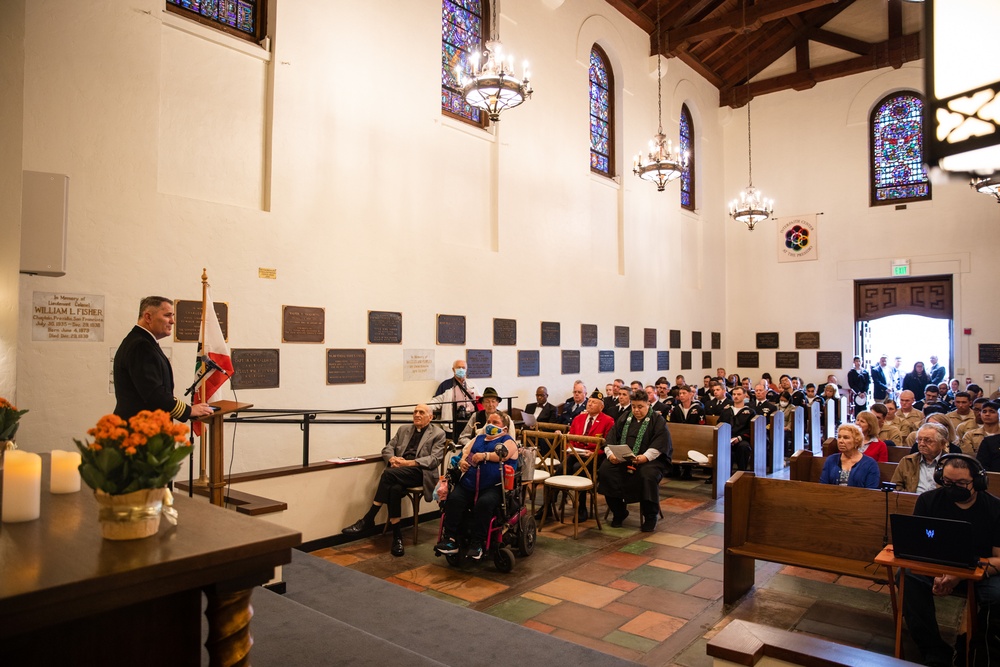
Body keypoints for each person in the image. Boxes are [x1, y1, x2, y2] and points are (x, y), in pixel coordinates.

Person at [901, 454, 1000, 667]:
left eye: (962, 483)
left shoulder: (995, 508)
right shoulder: (928, 501)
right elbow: (920, 547)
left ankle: (973, 649)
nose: (953, 487)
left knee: (996, 595)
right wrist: (939, 573)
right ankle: (933, 650)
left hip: (980, 569)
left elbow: (999, 559)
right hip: (937, 566)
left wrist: (959, 575)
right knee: (908, 577)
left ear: (979, 482)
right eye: (947, 482)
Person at [341, 404, 446, 556]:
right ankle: (397, 538)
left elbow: (434, 459)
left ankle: (369, 518)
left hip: (420, 472)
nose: (417, 414)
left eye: (421, 412)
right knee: (394, 488)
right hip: (399, 471)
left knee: (388, 475)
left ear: (430, 417)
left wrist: (407, 463)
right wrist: (392, 459)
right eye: (415, 412)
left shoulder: (438, 433)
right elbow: (387, 448)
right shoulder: (404, 429)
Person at [113, 296, 216, 422]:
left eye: (172, 316)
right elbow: (153, 393)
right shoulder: (141, 346)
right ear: (148, 317)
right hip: (141, 429)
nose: (173, 321)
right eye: (167, 315)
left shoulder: (143, 341)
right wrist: (188, 411)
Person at [435, 414, 518, 560]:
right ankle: (450, 540)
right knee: (454, 500)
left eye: (495, 422)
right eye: (488, 422)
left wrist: (484, 456)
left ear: (504, 428)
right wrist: (462, 462)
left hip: (493, 485)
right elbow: (466, 453)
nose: (490, 424)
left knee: (484, 503)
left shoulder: (508, 440)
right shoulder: (479, 439)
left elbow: (504, 455)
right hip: (469, 483)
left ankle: (477, 543)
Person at [597, 390, 671, 532]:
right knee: (606, 470)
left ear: (648, 404)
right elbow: (611, 437)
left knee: (647, 475)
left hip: (650, 460)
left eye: (640, 407)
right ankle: (619, 512)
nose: (636, 410)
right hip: (624, 458)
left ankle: (650, 516)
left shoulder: (657, 420)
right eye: (633, 406)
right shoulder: (625, 417)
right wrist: (611, 454)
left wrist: (645, 457)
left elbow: (660, 443)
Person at [564, 389, 615, 522]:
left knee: (577, 468)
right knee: (561, 469)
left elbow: (607, 444)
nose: (590, 404)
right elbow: (570, 438)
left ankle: (582, 508)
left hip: (594, 457)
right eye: (590, 401)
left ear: (601, 407)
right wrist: (570, 449)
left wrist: (594, 453)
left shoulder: (608, 421)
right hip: (576, 453)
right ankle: (549, 504)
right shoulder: (579, 418)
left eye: (594, 402)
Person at [891, 423, 949, 493]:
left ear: (942, 443)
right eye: (919, 439)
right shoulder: (907, 461)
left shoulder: (950, 463)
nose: (922, 444)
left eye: (927, 440)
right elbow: (895, 486)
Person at [431, 360, 478, 434]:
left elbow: (479, 401)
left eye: (463, 367)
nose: (461, 370)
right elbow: (436, 401)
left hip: (469, 421)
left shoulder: (472, 385)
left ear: (466, 369)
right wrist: (427, 409)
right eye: (459, 367)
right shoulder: (446, 385)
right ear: (453, 369)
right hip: (452, 421)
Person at [721, 386, 755, 471]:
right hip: (727, 438)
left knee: (744, 447)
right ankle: (722, 473)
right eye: (734, 394)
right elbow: (720, 424)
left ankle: (741, 472)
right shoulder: (726, 410)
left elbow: (751, 429)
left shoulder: (750, 412)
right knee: (720, 445)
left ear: (744, 396)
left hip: (742, 439)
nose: (736, 396)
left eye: (739, 394)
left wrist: (739, 438)